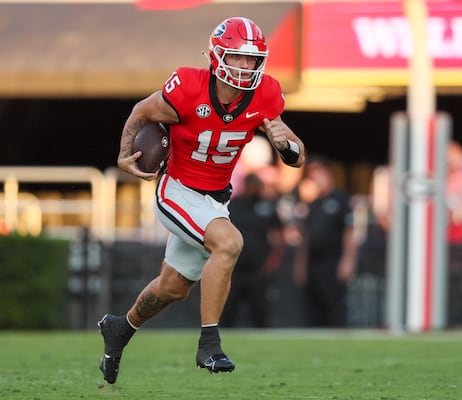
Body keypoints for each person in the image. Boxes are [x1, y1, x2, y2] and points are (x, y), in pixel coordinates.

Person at [98, 16, 306, 384]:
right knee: (229, 242)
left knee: (172, 287)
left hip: (215, 200)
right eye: (237, 58)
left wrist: (285, 145)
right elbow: (141, 112)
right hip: (177, 189)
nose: (245, 67)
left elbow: (297, 153)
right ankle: (209, 343)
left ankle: (120, 329)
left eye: (252, 59)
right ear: (216, 56)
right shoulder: (189, 87)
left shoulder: (266, 96)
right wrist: (123, 153)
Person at [292, 155, 358, 327]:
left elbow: (349, 232)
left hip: (333, 260)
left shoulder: (341, 199)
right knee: (313, 308)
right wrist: (301, 265)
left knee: (334, 306)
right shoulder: (313, 204)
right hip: (314, 263)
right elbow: (306, 237)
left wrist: (348, 260)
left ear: (327, 174)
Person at [221, 172, 285, 328]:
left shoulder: (268, 206)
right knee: (228, 310)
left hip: (259, 269)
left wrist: (274, 260)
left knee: (260, 311)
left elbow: (279, 235)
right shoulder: (233, 205)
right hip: (234, 267)